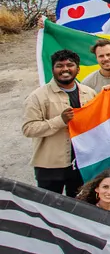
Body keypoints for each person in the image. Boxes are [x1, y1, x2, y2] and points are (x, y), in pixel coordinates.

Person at [23, 49, 97, 195]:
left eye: (70, 65)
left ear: (78, 69)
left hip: (81, 164)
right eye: (59, 66)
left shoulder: (89, 93)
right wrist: (60, 121)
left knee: (79, 205)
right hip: (49, 166)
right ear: (52, 69)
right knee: (48, 205)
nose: (65, 69)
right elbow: (28, 129)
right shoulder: (38, 97)